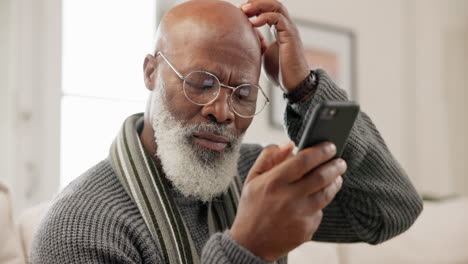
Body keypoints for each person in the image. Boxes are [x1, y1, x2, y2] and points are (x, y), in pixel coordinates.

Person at [31, 0, 423, 263]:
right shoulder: (79, 226)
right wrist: (247, 248)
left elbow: (390, 209)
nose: (222, 111)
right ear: (151, 72)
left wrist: (303, 87)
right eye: (201, 83)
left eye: (245, 93)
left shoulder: (253, 175)